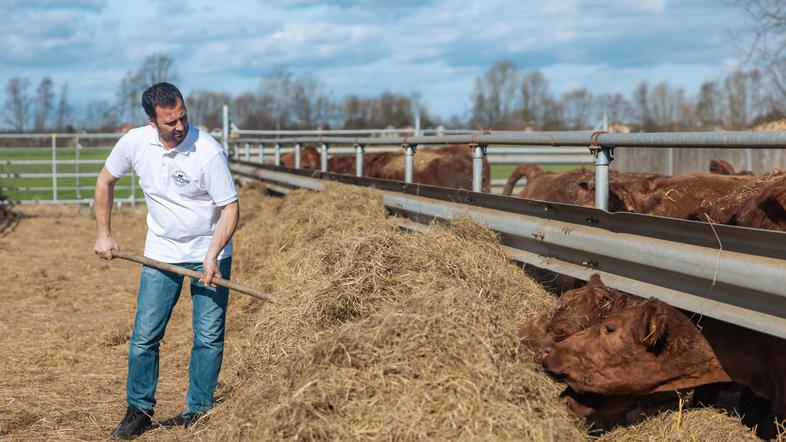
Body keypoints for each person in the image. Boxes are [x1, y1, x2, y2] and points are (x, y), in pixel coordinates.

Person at [93, 82, 239, 440]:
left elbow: (230, 208)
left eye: (183, 117)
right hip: (160, 253)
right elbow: (105, 180)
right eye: (171, 121)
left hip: (210, 252)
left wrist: (211, 255)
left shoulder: (207, 152)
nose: (180, 126)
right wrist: (103, 233)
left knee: (207, 336)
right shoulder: (135, 143)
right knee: (145, 336)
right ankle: (139, 410)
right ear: (151, 121)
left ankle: (198, 410)